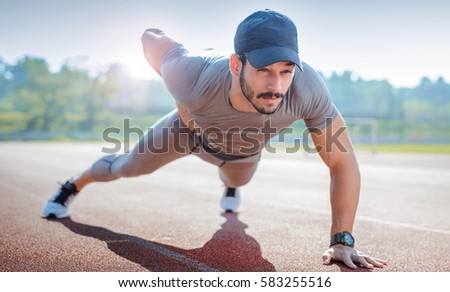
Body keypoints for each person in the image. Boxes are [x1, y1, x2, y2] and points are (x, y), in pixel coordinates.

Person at [43, 9, 387, 270]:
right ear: (237, 64)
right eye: (264, 70)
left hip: (243, 156)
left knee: (238, 186)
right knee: (127, 167)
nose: (276, 85)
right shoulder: (191, 72)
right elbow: (151, 36)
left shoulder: (309, 89)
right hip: (184, 133)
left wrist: (342, 239)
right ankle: (72, 185)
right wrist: (181, 99)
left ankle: (231, 187)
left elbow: (342, 161)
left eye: (285, 70)